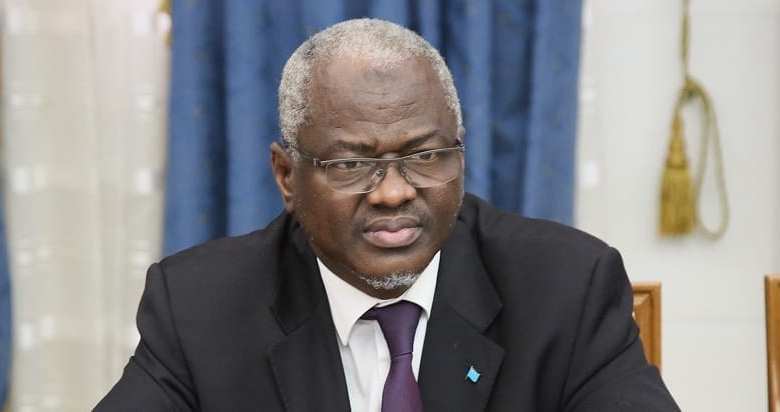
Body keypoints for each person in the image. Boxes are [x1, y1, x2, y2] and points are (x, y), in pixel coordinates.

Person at [95, 18, 680, 412]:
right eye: (351, 164)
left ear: (461, 155)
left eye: (424, 155)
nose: (394, 192)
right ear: (286, 176)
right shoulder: (200, 307)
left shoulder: (565, 288)